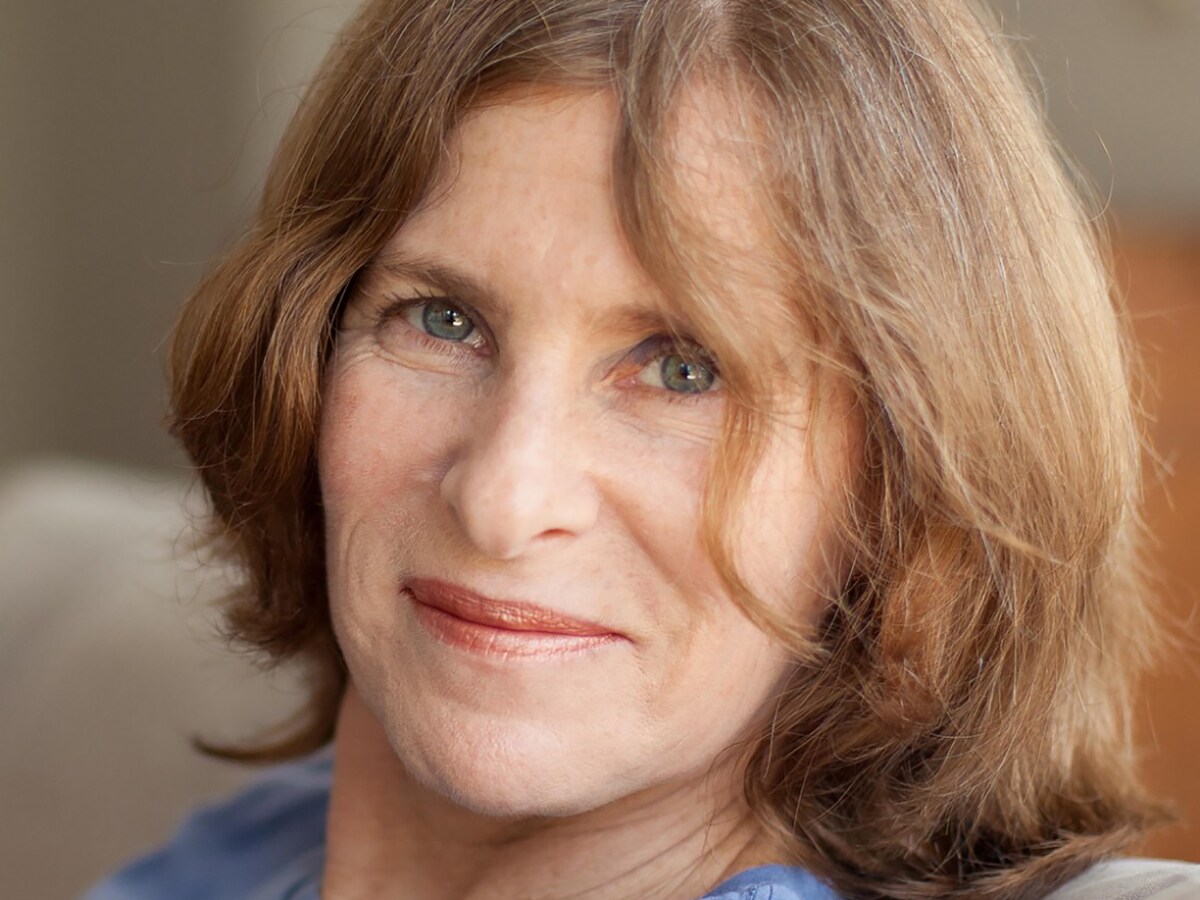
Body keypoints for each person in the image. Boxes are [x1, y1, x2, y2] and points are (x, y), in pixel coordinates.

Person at [83, 0, 1200, 898]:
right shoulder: (245, 850)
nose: (504, 500)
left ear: (904, 486)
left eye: (683, 370)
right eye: (442, 320)